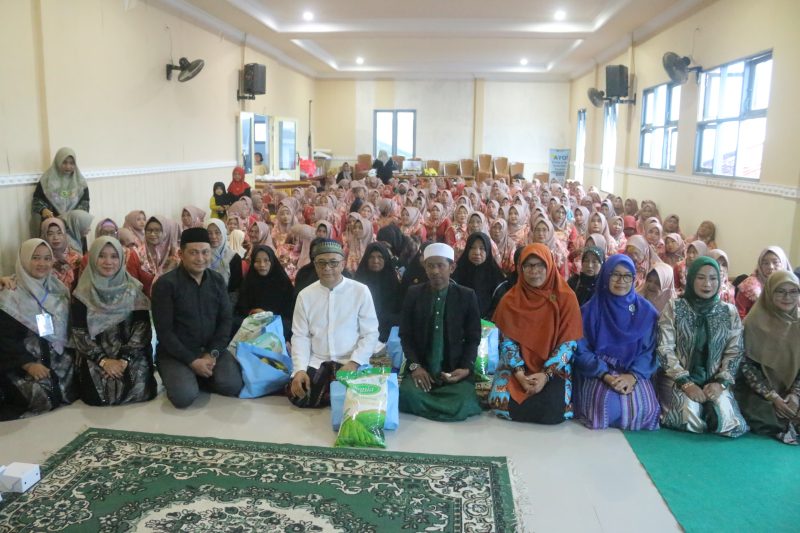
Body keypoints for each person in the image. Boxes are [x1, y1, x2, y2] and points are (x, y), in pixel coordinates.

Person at [488, 244, 583, 424]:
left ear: (550, 265)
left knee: (555, 411)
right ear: (520, 269)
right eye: (529, 266)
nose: (534, 271)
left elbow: (569, 343)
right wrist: (520, 375)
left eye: (540, 265)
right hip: (518, 368)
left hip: (554, 369)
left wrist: (545, 374)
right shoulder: (510, 299)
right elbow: (507, 342)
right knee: (500, 403)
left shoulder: (566, 297)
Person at [656, 257, 748, 438]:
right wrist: (686, 383)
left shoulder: (728, 312)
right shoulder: (675, 307)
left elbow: (735, 351)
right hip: (678, 378)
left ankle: (709, 405)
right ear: (690, 279)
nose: (707, 284)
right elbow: (664, 348)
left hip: (715, 380)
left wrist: (721, 383)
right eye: (700, 278)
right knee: (689, 419)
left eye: (713, 278)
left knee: (727, 423)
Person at [151, 227, 243, 408]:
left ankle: (198, 374)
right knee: (184, 397)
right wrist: (192, 361)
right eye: (193, 253)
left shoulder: (216, 280)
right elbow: (164, 332)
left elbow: (226, 320)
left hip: (211, 350)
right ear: (181, 254)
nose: (200, 258)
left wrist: (213, 353)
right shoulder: (166, 285)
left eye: (205, 252)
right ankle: (188, 374)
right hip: (177, 354)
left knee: (232, 385)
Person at [574, 255, 660, 430]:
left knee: (646, 410)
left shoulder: (646, 312)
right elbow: (580, 349)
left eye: (627, 276)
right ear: (605, 276)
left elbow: (650, 350)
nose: (621, 281)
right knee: (607, 409)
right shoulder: (590, 310)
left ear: (634, 279)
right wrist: (605, 375)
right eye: (615, 274)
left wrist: (632, 376)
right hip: (599, 370)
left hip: (634, 371)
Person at [289, 239, 379, 408]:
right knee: (299, 396)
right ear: (314, 265)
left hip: (352, 360)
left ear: (343, 264)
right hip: (319, 360)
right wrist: (300, 370)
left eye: (333, 263)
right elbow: (300, 336)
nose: (327, 268)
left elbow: (370, 333)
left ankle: (336, 393)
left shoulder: (360, 291)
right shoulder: (305, 295)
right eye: (321, 263)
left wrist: (354, 362)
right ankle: (335, 394)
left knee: (366, 398)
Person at [399, 243, 483, 421]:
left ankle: (431, 407)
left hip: (454, 372)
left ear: (452, 267)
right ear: (425, 267)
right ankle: (444, 409)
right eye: (430, 266)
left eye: (440, 265)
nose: (435, 271)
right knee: (406, 394)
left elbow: (473, 338)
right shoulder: (414, 294)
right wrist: (415, 366)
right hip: (422, 370)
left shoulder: (467, 296)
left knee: (465, 399)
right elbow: (405, 335)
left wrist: (466, 368)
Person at [70, 237, 156, 406]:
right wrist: (104, 361)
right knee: (97, 396)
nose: (108, 262)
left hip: (131, 355)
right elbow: (80, 334)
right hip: (96, 357)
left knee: (139, 389)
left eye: (114, 256)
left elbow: (142, 329)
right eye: (102, 256)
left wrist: (124, 360)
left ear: (122, 259)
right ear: (93, 258)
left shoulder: (133, 290)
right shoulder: (82, 293)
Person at [0, 239, 75, 420]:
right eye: (35, 258)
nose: (42, 264)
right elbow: (5, 339)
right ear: (24, 259)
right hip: (21, 364)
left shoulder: (58, 290)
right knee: (44, 398)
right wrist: (28, 364)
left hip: (58, 360)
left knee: (76, 391)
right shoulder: (10, 294)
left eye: (47, 258)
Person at [736, 271, 800, 444]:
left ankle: (788, 421)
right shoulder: (754, 322)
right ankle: (786, 424)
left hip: (790, 389)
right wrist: (773, 397)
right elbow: (746, 366)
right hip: (759, 391)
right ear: (769, 292)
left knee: (792, 409)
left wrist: (795, 394)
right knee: (758, 413)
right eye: (780, 291)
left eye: (793, 292)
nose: (787, 297)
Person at [234, 245, 293, 340]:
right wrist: (253, 313)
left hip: (276, 332)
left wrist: (268, 317)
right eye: (257, 261)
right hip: (251, 331)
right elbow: (240, 311)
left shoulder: (283, 284)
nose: (262, 264)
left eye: (266, 260)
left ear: (272, 261)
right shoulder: (248, 283)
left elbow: (290, 316)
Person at [355, 242, 401, 344]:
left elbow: (401, 312)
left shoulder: (393, 282)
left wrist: (385, 319)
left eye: (380, 257)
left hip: (389, 332)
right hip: (361, 332)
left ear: (386, 259)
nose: (375, 261)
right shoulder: (358, 283)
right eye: (371, 257)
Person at [452, 232, 506, 319]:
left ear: (488, 251)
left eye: (482, 248)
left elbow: (499, 306)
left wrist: (485, 321)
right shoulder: (457, 273)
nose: (477, 252)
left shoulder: (496, 277)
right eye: (472, 248)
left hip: (487, 326)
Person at [31, 147, 90, 223]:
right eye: (64, 162)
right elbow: (37, 200)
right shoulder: (46, 180)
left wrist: (74, 216)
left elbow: (85, 203)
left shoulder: (80, 182)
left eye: (71, 163)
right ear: (58, 162)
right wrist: (43, 210)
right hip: (53, 225)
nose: (68, 166)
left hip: (74, 224)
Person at [735, 246, 793, 319]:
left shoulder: (791, 286)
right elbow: (739, 315)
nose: (771, 267)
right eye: (765, 263)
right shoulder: (748, 286)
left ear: (783, 263)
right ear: (760, 265)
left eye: (775, 262)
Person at [40, 217, 82, 291]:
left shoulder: (76, 258)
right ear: (44, 236)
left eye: (59, 233)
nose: (56, 237)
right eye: (50, 234)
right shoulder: (41, 260)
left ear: (64, 234)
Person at [206, 219, 244, 295]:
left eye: (217, 233)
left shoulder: (233, 257)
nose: (213, 237)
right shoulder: (202, 255)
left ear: (223, 233)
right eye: (209, 233)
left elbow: (235, 288)